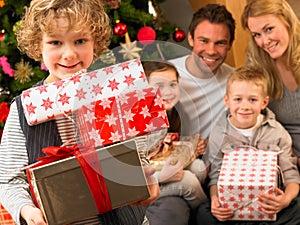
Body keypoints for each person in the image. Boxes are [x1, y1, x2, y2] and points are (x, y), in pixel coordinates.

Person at [0, 1, 159, 225]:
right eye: (55, 42)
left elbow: (138, 156)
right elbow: (8, 181)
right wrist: (27, 210)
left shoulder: (113, 93)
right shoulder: (23, 109)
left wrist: (148, 179)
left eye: (80, 41)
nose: (69, 54)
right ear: (38, 45)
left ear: (96, 42)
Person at [146, 4, 236, 225]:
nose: (211, 51)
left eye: (220, 43)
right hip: (159, 167)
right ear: (191, 39)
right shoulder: (167, 76)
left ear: (230, 45)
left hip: (204, 164)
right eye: (204, 41)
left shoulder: (236, 82)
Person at [196, 65, 300, 225]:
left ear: (264, 102)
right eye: (238, 99)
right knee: (204, 215)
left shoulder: (277, 133)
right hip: (233, 204)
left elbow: (290, 174)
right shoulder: (218, 134)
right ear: (227, 101)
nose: (244, 106)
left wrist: (285, 199)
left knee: (297, 208)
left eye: (252, 100)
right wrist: (216, 199)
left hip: (271, 203)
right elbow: (216, 176)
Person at [241, 0, 300, 168]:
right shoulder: (255, 68)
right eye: (257, 35)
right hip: (283, 162)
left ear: (287, 21)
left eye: (269, 29)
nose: (265, 41)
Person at [142, 61, 207, 210]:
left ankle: (194, 210)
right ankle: (208, 216)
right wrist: (160, 177)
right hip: (146, 183)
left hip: (163, 164)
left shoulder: (177, 112)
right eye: (159, 86)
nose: (168, 92)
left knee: (199, 167)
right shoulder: (139, 122)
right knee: (188, 181)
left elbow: (177, 145)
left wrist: (195, 148)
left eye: (173, 84)